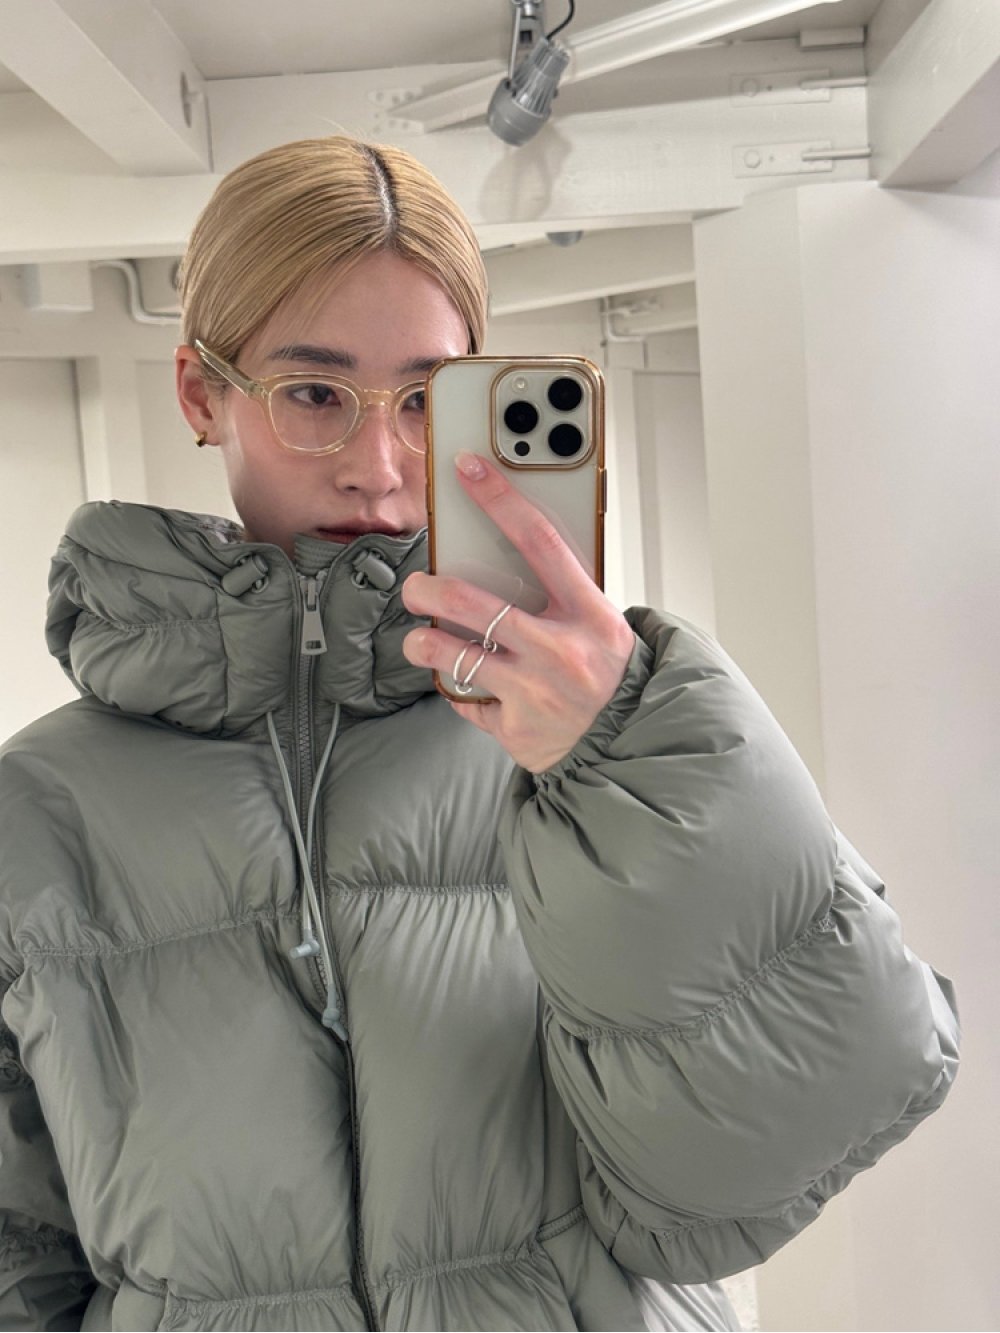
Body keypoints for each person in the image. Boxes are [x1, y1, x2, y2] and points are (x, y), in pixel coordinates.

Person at [0, 136, 958, 1333]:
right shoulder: (37, 809)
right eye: (314, 395)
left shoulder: (603, 739)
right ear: (203, 393)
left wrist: (627, 762)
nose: (379, 467)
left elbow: (762, 1159)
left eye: (423, 399)